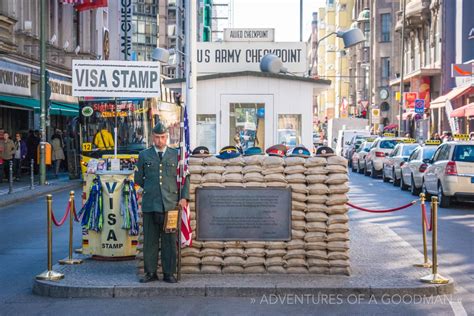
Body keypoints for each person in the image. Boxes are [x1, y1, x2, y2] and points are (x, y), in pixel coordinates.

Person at [134, 122, 189, 284]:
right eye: (157, 137)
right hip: (150, 204)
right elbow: (138, 179)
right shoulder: (144, 155)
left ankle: (169, 273)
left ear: (167, 137)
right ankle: (150, 272)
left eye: (163, 137)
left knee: (169, 241)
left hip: (171, 204)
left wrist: (184, 197)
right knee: (150, 240)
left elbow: (185, 178)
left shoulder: (176, 155)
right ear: (152, 137)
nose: (160, 140)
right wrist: (152, 190)